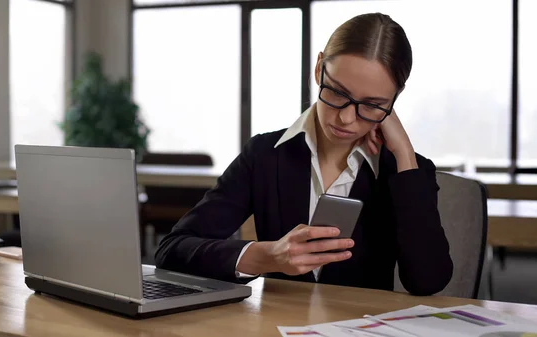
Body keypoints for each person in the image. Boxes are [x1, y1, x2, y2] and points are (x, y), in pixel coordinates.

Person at [155, 12, 453, 296]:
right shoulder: (264, 155)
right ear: (319, 68)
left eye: (373, 105)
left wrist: (404, 153)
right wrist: (265, 256)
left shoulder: (405, 172)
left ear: (394, 100)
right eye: (337, 92)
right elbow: (173, 249)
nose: (347, 118)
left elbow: (427, 281)